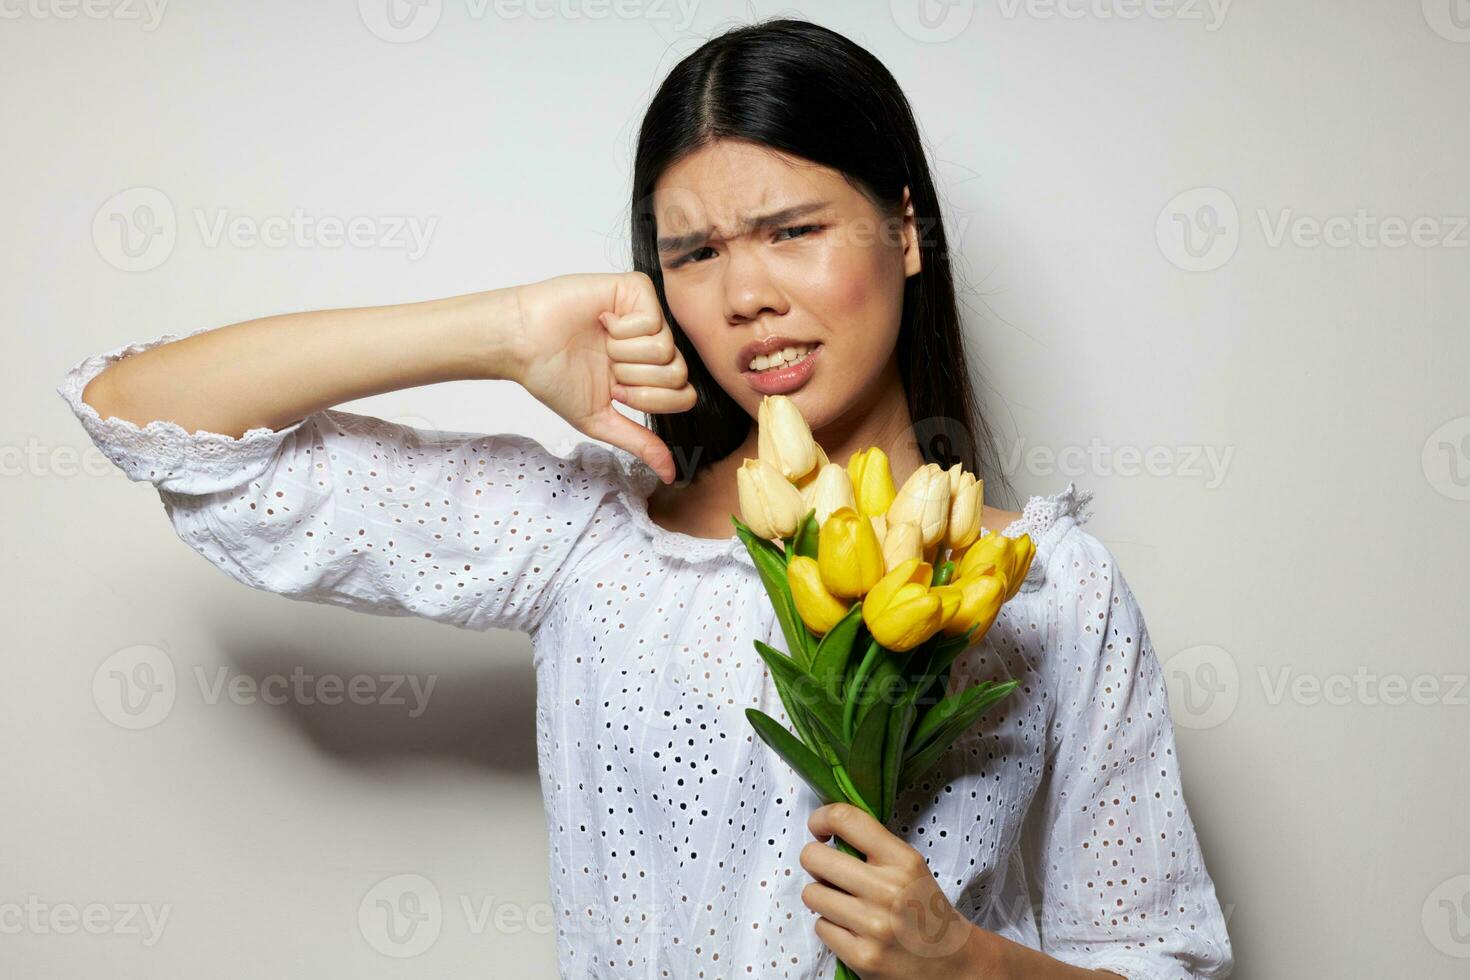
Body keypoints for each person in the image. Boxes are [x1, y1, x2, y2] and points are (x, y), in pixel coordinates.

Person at [57, 17, 1233, 980]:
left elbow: (1162, 958)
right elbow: (147, 417)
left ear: (906, 229)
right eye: (695, 254)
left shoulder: (1043, 587)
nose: (749, 295)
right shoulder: (593, 539)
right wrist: (502, 332)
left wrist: (963, 962)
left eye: (794, 230)